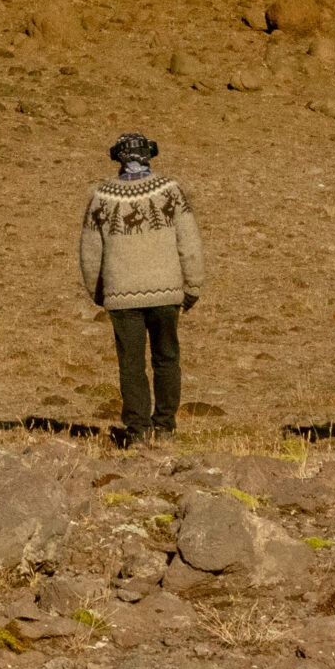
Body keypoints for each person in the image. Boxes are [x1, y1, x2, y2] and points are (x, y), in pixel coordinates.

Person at [79, 132, 204, 443]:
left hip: (121, 295)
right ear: (150, 154)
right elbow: (189, 243)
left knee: (131, 365)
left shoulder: (102, 197)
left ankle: (137, 432)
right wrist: (193, 286)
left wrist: (99, 292)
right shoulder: (171, 191)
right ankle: (165, 427)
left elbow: (90, 253)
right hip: (167, 292)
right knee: (167, 358)